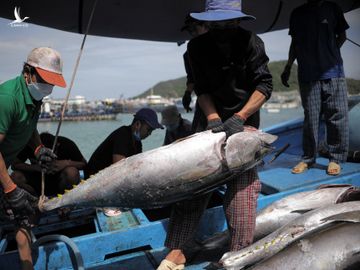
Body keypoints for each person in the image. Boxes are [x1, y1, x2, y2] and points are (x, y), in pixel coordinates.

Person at [157, 1, 273, 269]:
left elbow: (265, 85)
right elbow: (202, 87)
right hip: (210, 121)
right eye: (217, 24)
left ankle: (239, 253)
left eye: (229, 23)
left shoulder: (252, 42)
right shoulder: (196, 47)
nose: (223, 29)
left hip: (244, 121)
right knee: (193, 184)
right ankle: (177, 250)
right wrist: (213, 118)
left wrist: (240, 117)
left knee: (242, 189)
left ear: (238, 22)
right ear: (207, 23)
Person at [0, 47, 66, 270]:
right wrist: (10, 189)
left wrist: (38, 150)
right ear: (27, 72)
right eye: (45, 80)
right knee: (17, 206)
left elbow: (29, 127)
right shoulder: (7, 98)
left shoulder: (34, 98)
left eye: (52, 82)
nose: (48, 87)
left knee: (24, 215)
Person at [281, 0, 349, 176]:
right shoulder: (297, 13)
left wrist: (330, 53)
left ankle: (335, 159)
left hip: (333, 72)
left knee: (337, 116)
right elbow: (294, 43)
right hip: (307, 73)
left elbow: (342, 36)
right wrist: (288, 66)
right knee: (310, 118)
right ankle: (308, 158)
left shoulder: (333, 8)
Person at [84, 108, 163, 216]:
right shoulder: (122, 135)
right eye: (148, 129)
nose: (149, 134)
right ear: (137, 124)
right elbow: (119, 168)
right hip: (95, 181)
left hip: (108, 179)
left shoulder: (137, 143)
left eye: (151, 131)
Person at [11, 132, 87, 197]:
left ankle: (65, 199)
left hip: (60, 181)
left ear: (58, 145)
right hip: (38, 179)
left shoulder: (66, 144)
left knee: (72, 172)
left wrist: (66, 163)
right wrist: (35, 167)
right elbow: (15, 165)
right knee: (15, 176)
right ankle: (35, 199)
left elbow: (84, 164)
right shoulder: (31, 145)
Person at [180, 15, 209, 114]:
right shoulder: (187, 54)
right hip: (203, 100)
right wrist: (187, 93)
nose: (192, 33)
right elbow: (192, 77)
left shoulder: (220, 46)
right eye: (189, 30)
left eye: (195, 28)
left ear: (206, 26)